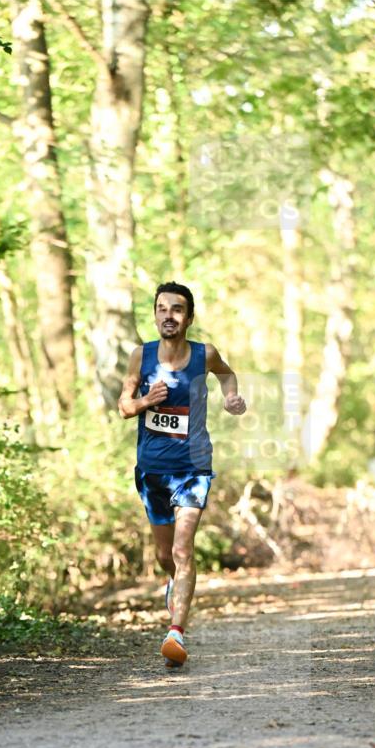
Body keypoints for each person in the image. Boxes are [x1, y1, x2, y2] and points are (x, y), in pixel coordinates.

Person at [118, 281, 246, 667]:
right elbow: (124, 406)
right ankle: (173, 581)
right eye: (161, 308)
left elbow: (227, 374)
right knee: (164, 554)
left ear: (189, 318)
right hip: (153, 470)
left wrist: (230, 397)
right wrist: (145, 401)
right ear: (155, 314)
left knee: (182, 548)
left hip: (193, 468)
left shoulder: (204, 354)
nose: (168, 315)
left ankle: (176, 631)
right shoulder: (141, 356)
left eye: (176, 309)